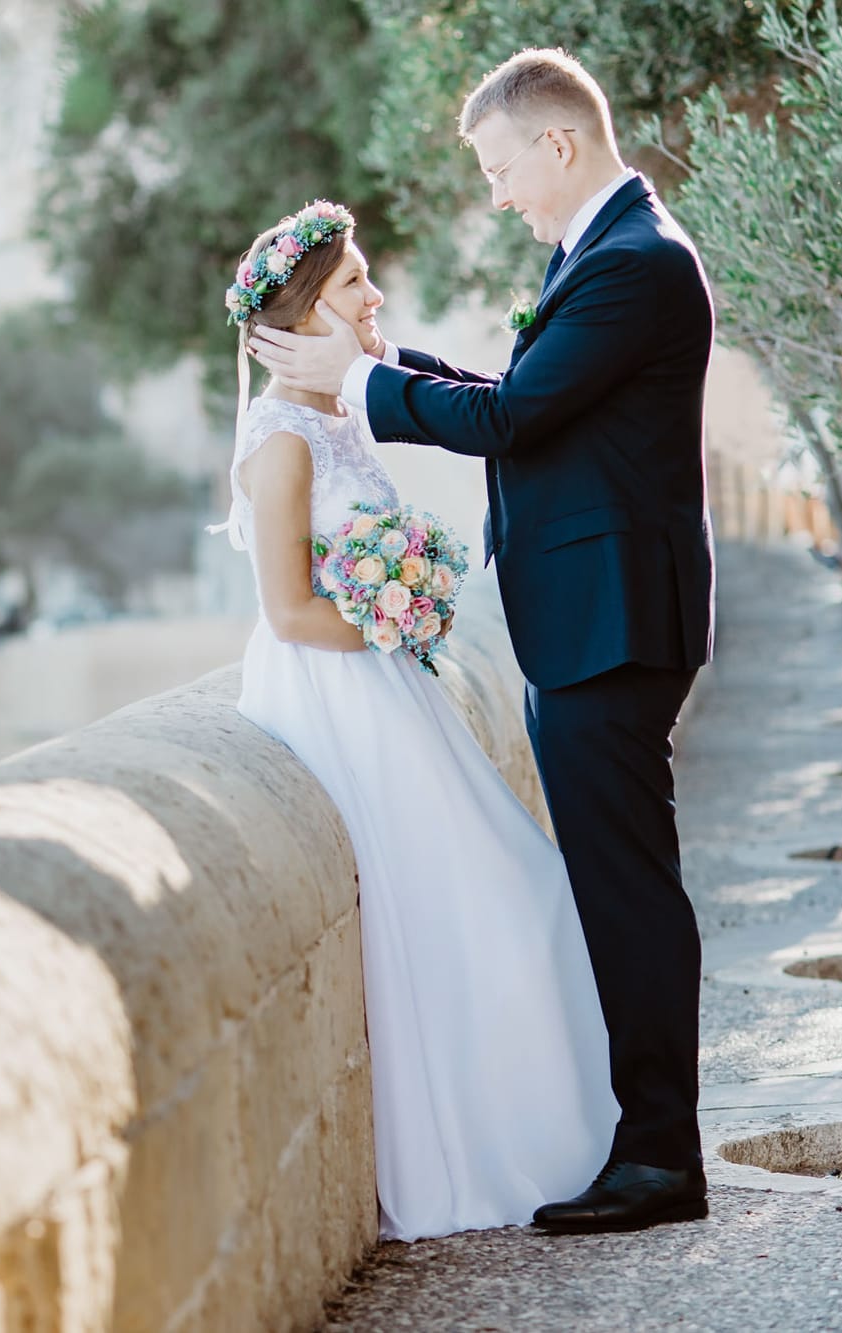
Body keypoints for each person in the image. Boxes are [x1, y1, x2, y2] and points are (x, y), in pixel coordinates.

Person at [247, 47, 715, 1234]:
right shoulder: (599, 255)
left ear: (555, 143)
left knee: (626, 890)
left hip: (610, 626)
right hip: (596, 618)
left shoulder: (635, 265)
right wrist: (384, 369)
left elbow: (508, 416)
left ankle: (659, 1155)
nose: (496, 193)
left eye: (500, 167)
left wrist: (351, 383)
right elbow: (526, 398)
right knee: (616, 883)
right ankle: (643, 1136)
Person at [218, 198, 617, 1242]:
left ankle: (557, 1140)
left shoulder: (338, 415)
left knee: (512, 895)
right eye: (352, 283)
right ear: (306, 311)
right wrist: (401, 613)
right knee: (469, 904)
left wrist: (406, 609)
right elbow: (289, 610)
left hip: (391, 685)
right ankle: (467, 1164)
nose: (372, 294)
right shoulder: (279, 441)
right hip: (342, 697)